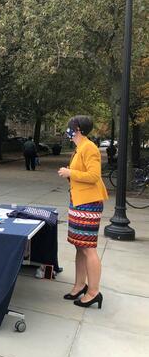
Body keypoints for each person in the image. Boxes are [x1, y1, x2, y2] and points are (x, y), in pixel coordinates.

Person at [58, 115, 108, 309]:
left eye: (70, 127)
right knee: (80, 246)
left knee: (88, 248)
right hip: (79, 202)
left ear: (77, 129)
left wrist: (70, 173)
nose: (67, 130)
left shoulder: (90, 148)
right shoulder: (81, 148)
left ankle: (94, 292)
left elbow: (94, 176)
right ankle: (80, 285)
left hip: (89, 204)